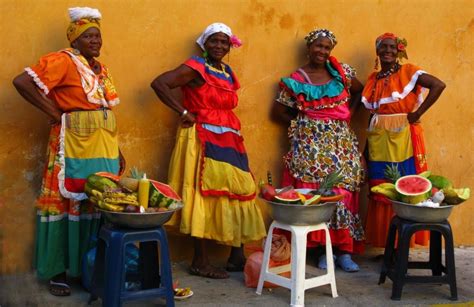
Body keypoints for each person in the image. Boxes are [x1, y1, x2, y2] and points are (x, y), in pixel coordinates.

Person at [12, 7, 122, 296]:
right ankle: (58, 271)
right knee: (64, 201)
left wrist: (117, 149)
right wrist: (56, 113)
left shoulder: (101, 69)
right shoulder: (63, 61)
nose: (96, 41)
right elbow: (22, 82)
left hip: (103, 146)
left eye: (98, 36)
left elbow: (104, 109)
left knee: (95, 201)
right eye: (88, 36)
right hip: (71, 144)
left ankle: (86, 266)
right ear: (74, 39)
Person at [150, 22, 266, 279]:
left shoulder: (226, 71)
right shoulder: (196, 67)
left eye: (224, 42)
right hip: (201, 138)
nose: (220, 46)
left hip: (229, 137)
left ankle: (236, 255)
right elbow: (160, 83)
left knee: (239, 188)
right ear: (205, 43)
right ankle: (200, 260)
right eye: (214, 40)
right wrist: (183, 112)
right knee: (202, 194)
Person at [275, 29, 365, 272]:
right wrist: (305, 121)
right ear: (309, 48)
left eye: (326, 48)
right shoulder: (298, 77)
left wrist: (350, 114)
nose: (322, 52)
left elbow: (360, 90)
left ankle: (344, 251)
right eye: (318, 46)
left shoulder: (342, 73)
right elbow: (279, 111)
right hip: (310, 147)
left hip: (341, 145)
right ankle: (322, 251)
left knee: (342, 192)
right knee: (316, 195)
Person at [362, 33, 446, 248]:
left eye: (392, 47)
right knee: (381, 186)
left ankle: (401, 244)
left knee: (402, 184)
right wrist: (365, 148)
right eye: (383, 47)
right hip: (378, 138)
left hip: (402, 136)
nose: (388, 51)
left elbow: (438, 85)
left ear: (399, 50)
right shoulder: (374, 79)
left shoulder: (408, 72)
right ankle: (387, 243)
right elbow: (373, 114)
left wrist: (417, 113)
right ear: (377, 51)